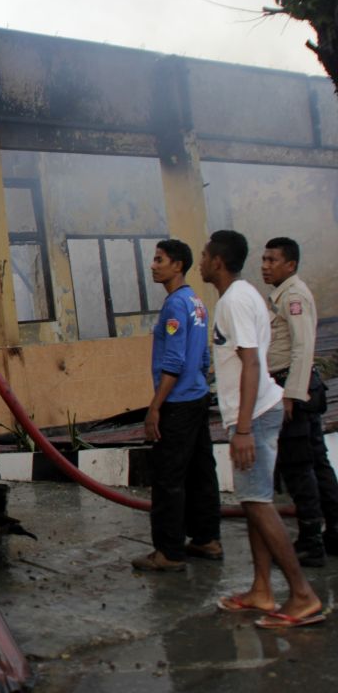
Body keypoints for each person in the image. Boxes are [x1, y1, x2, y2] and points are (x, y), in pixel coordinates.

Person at [202, 230, 323, 628]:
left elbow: (252, 363)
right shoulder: (244, 294)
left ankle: (302, 595)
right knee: (255, 500)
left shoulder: (235, 300)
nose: (200, 262)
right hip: (259, 409)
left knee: (257, 502)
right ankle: (261, 590)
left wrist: (241, 429)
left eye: (204, 255)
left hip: (253, 414)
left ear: (217, 261)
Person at [132, 239, 221, 572]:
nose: (153, 265)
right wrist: (198, 386)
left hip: (178, 402)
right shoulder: (196, 302)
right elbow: (202, 358)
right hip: (197, 396)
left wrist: (156, 406)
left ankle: (169, 551)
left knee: (168, 477)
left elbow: (174, 360)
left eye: (160, 260)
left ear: (177, 265)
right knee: (201, 471)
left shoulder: (174, 306)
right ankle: (207, 538)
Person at [262, 236, 338, 566]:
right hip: (299, 389)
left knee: (299, 467)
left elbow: (302, 348)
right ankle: (333, 533)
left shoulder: (293, 295)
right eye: (263, 260)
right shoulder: (282, 295)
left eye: (272, 260)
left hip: (295, 389)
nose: (265, 266)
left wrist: (290, 396)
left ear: (290, 265)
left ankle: (310, 541)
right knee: (317, 463)